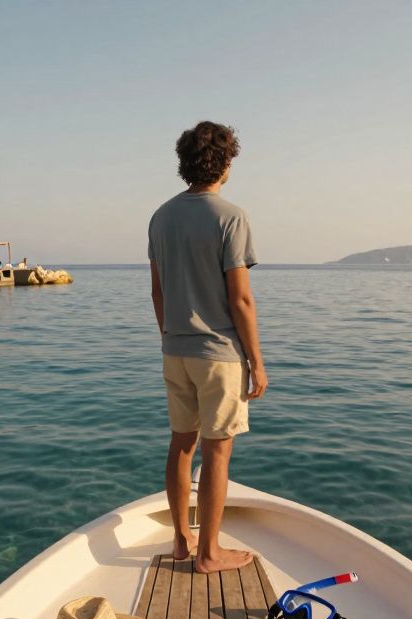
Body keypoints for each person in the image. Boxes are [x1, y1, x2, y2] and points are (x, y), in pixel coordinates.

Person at [148, 121, 267, 574]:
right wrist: (256, 362)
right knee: (217, 450)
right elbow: (240, 298)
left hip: (174, 348)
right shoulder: (231, 217)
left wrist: (170, 335)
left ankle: (182, 541)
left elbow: (158, 292)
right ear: (226, 162)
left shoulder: (161, 217)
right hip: (218, 353)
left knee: (181, 443)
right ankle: (209, 553)